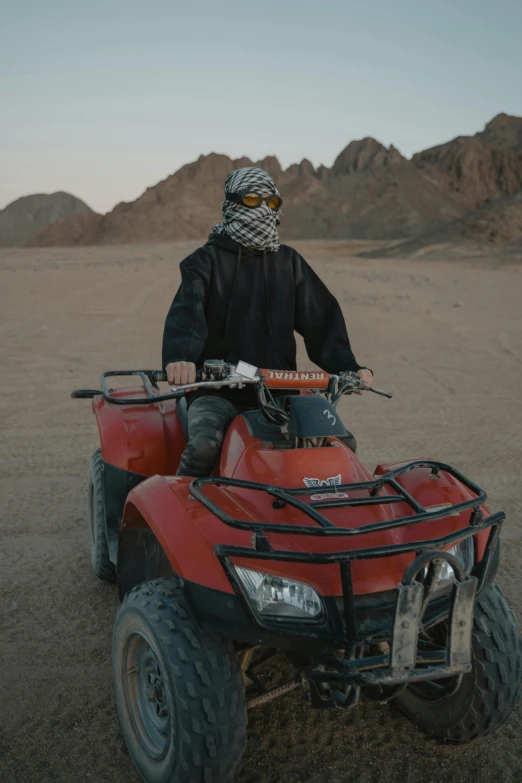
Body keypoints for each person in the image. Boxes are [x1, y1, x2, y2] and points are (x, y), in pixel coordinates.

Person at [162, 166, 373, 477]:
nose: (262, 208)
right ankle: (181, 515)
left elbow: (321, 317)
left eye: (271, 203)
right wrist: (180, 359)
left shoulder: (288, 262)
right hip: (218, 391)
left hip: (281, 389)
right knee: (205, 447)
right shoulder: (203, 263)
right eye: (251, 200)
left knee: (340, 444)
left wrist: (349, 366)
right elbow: (186, 317)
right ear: (232, 205)